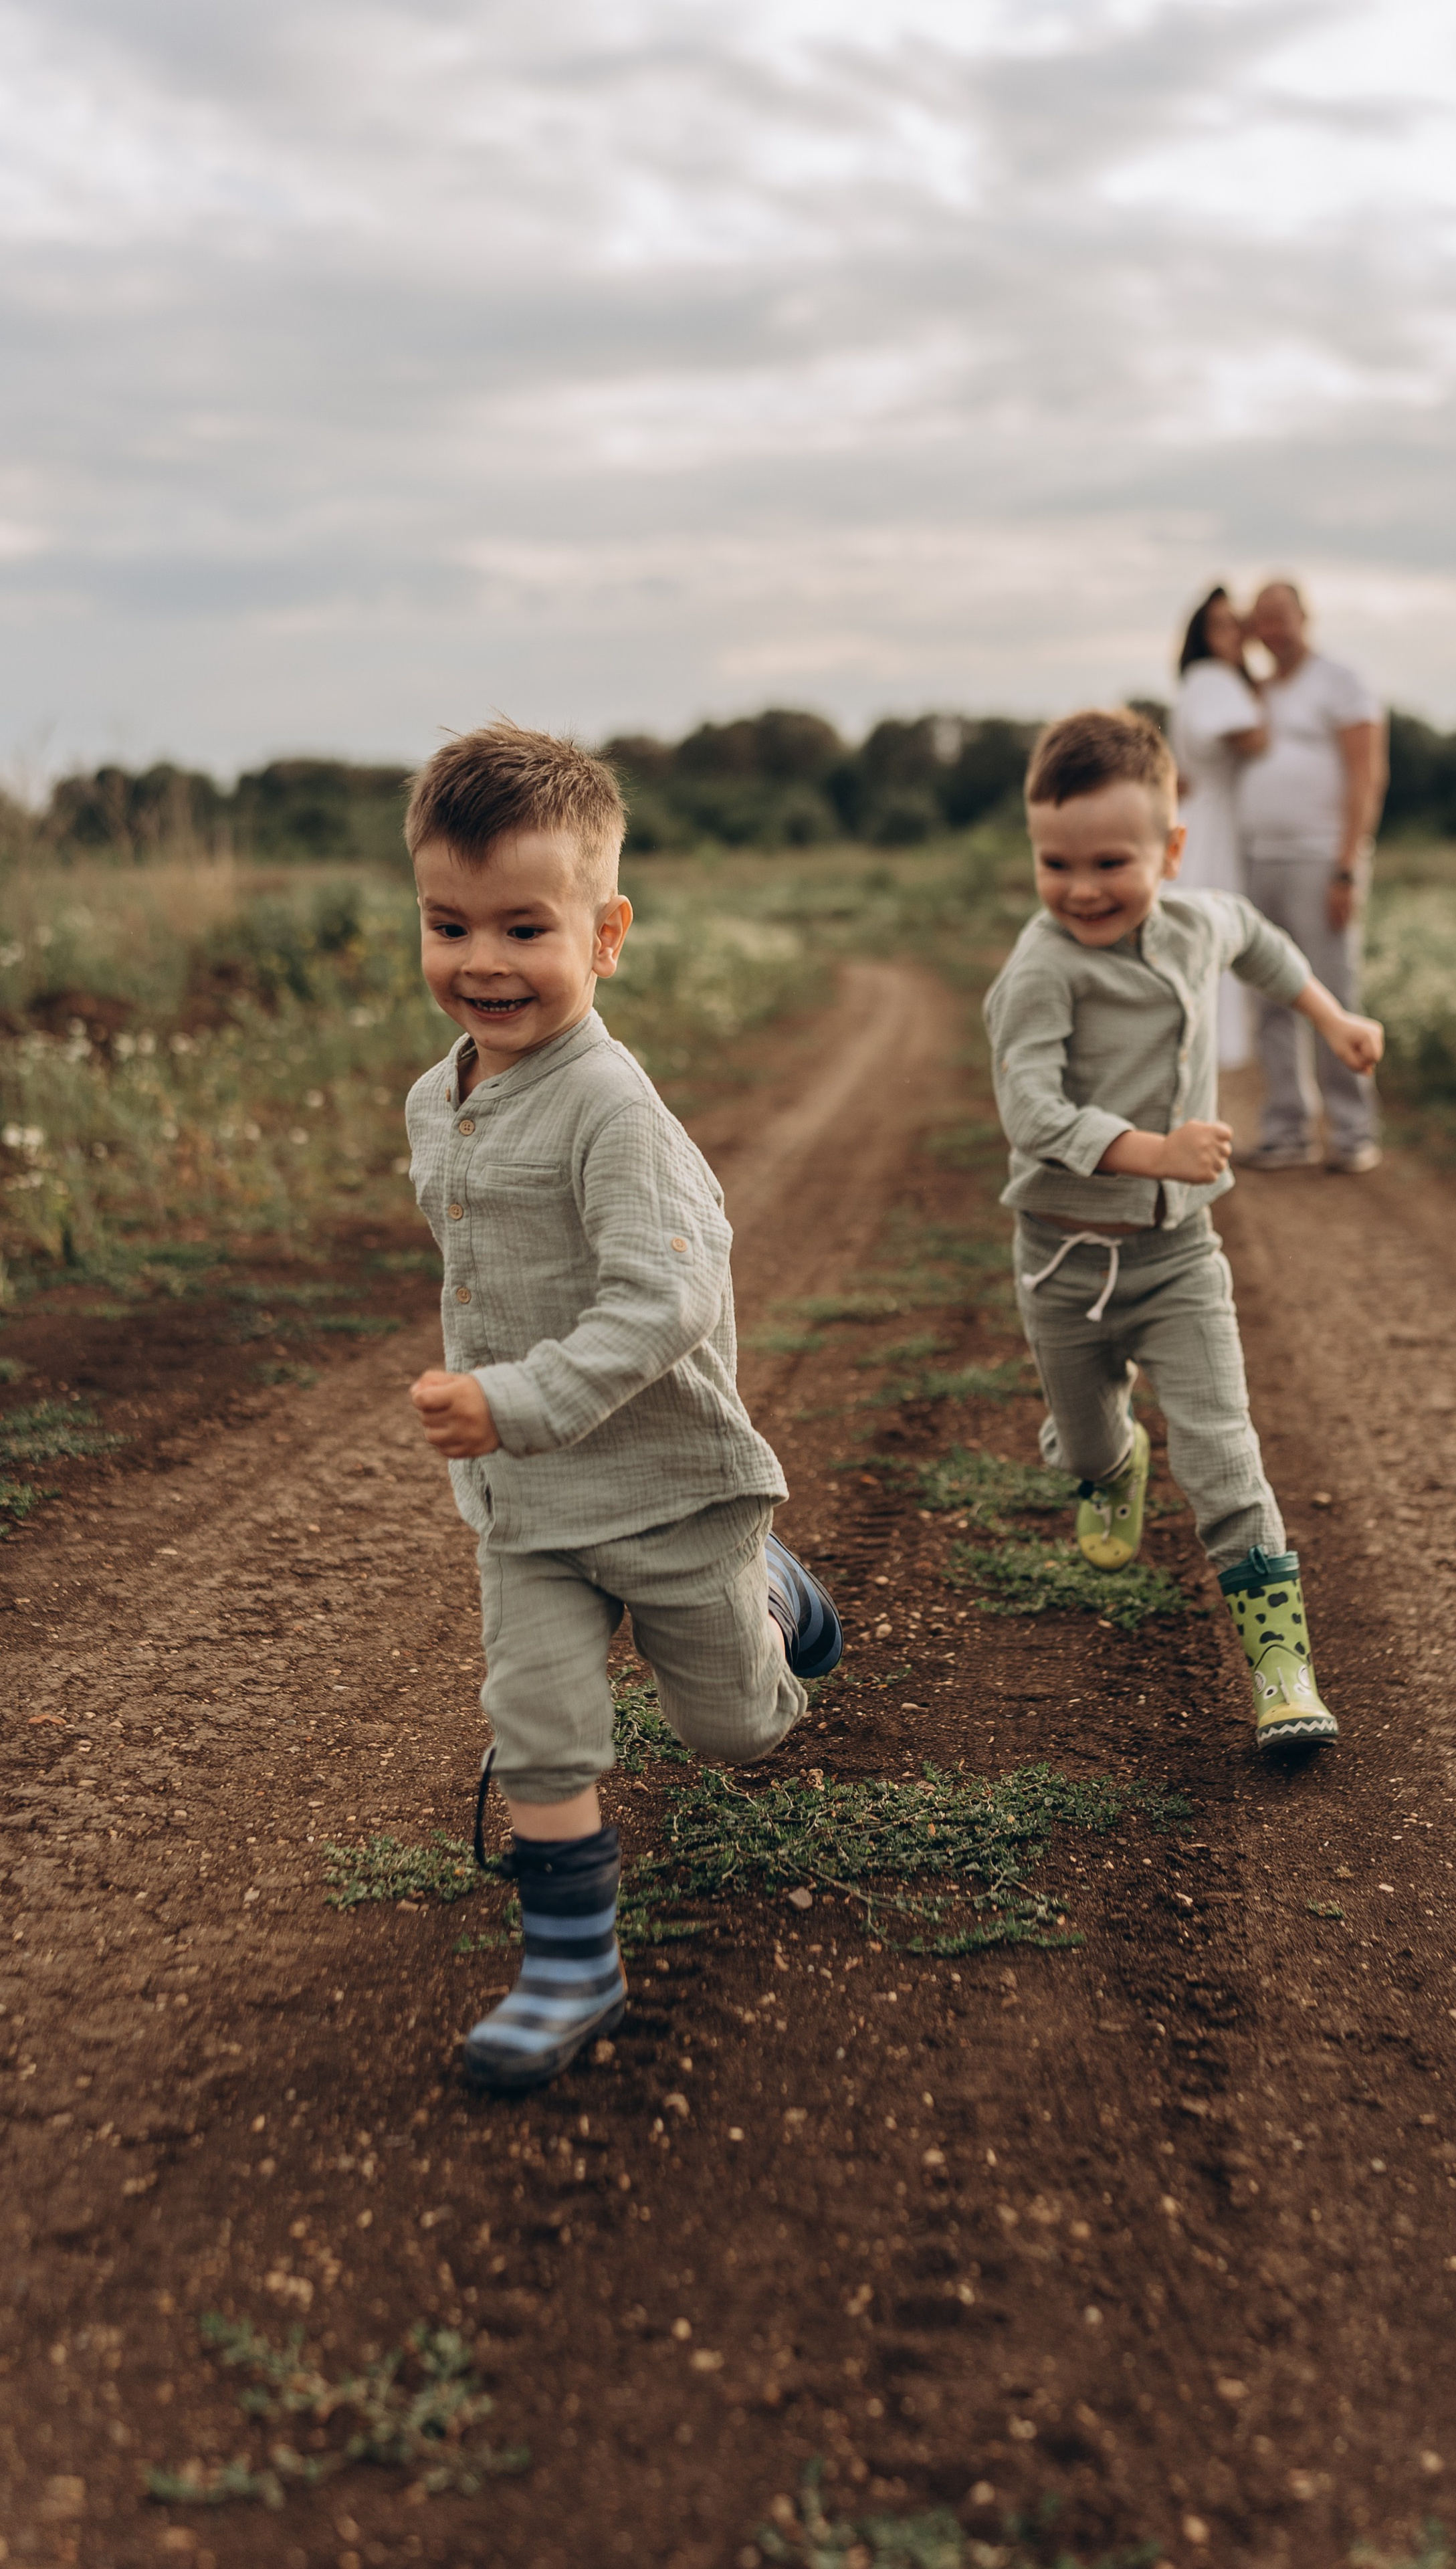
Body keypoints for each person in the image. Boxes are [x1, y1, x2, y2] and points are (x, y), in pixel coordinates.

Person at [401, 721, 842, 2092]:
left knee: (733, 1730)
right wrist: (503, 1421)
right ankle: (570, 1970)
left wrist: (512, 1396)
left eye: (523, 928)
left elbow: (664, 1306)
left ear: (606, 935)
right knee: (538, 1717)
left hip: (664, 1492)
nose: (481, 960)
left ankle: (772, 1590)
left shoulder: (612, 1110)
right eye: (448, 925)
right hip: (530, 1505)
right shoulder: (436, 1100)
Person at [982, 707, 1384, 1750]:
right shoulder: (1042, 971)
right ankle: (1111, 1461)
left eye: (1109, 862)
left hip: (1176, 1259)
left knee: (1221, 1449)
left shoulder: (1198, 923)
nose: (1080, 888)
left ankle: (1283, 1670)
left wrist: (1333, 1018)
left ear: (1171, 850)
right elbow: (1030, 1112)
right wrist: (1154, 1150)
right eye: (1055, 863)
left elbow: (1261, 942)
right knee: (1085, 1443)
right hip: (1064, 1268)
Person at [1235, 581, 1388, 1172]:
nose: (1272, 630)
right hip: (1258, 857)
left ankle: (1352, 1132)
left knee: (1333, 990)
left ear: (1305, 617)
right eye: (1261, 621)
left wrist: (1347, 867)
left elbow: (1366, 775)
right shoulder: (1254, 690)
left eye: (1280, 617)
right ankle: (1287, 1130)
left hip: (1321, 857)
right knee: (1269, 993)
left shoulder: (1342, 682)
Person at [1169, 587, 1268, 1069]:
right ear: (1203, 635)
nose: (1234, 634)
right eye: (1222, 625)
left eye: (1238, 624)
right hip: (1209, 825)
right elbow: (1254, 738)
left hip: (1197, 816)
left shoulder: (1198, 681)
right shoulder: (1216, 680)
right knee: (1210, 933)